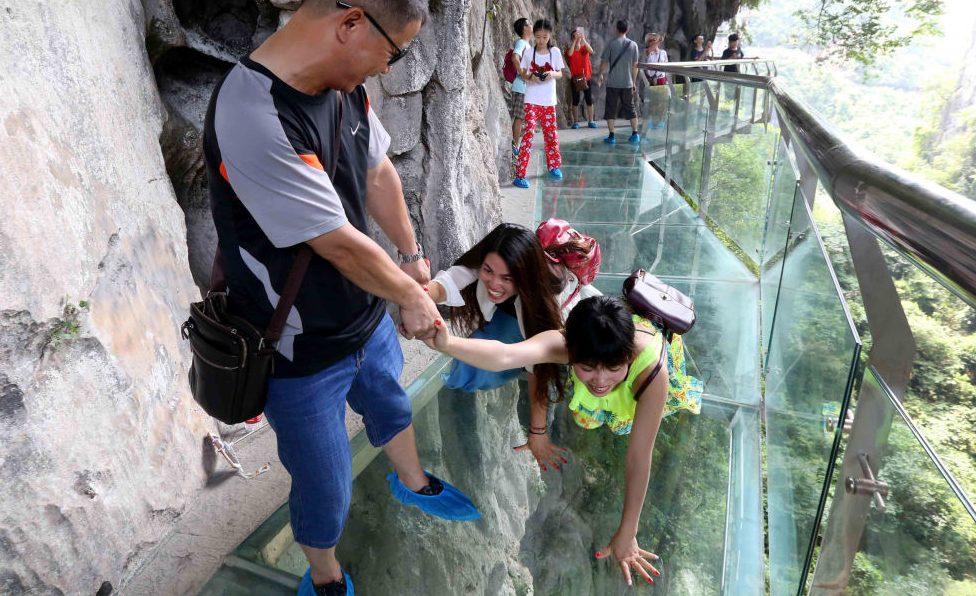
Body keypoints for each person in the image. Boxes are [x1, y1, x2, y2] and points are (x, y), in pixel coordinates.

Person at [202, 2, 480, 595]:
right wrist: (414, 297)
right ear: (351, 22)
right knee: (326, 486)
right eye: (393, 51)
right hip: (298, 348)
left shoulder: (342, 85)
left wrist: (412, 259)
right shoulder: (253, 111)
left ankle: (411, 479)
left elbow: (377, 170)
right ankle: (325, 574)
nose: (387, 68)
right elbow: (336, 243)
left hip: (365, 316)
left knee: (391, 404)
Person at [421, 295, 703, 586]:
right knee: (560, 374)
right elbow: (507, 354)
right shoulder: (567, 343)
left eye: (613, 367)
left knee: (620, 404)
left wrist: (629, 530)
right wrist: (447, 344)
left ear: (628, 355)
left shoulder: (652, 374)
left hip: (642, 379)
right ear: (571, 351)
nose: (601, 380)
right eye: (588, 367)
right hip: (601, 356)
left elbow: (639, 456)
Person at [425, 222, 599, 394]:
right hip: (515, 315)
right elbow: (452, 280)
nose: (494, 283)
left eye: (507, 278)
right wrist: (419, 296)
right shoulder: (502, 260)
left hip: (548, 327)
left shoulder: (553, 304)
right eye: (488, 271)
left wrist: (538, 422)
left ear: (526, 275)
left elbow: (525, 362)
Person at [513, 18, 566, 189]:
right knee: (528, 134)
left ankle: (554, 166)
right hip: (532, 99)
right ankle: (520, 175)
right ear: (534, 36)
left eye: (545, 37)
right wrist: (532, 77)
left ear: (550, 36)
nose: (541, 40)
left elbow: (560, 73)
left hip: (549, 101)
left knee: (551, 135)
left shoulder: (555, 52)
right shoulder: (529, 53)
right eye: (538, 37)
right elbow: (524, 74)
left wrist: (551, 73)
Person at [598, 20, 641, 145]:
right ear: (627, 30)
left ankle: (611, 136)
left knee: (611, 109)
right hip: (627, 83)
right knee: (631, 108)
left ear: (616, 29)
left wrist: (600, 74)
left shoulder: (611, 44)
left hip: (613, 83)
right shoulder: (633, 45)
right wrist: (633, 82)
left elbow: (604, 62)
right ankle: (635, 134)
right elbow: (635, 66)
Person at [510, 18, 533, 156]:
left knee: (522, 117)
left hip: (525, 87)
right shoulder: (521, 43)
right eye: (529, 23)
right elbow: (515, 57)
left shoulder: (528, 45)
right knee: (519, 117)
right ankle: (515, 146)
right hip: (520, 87)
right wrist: (523, 74)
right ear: (524, 28)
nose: (531, 25)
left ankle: (517, 145)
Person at [565, 27, 597, 129]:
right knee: (575, 100)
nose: (577, 37)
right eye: (575, 35)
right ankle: (575, 122)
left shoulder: (584, 48)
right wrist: (575, 41)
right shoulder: (570, 50)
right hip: (575, 78)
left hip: (586, 77)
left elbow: (591, 51)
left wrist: (583, 39)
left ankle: (591, 121)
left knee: (589, 99)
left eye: (578, 34)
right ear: (572, 38)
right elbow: (570, 54)